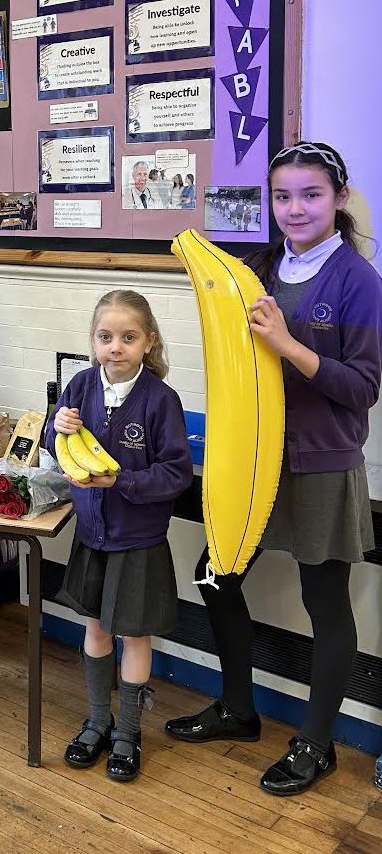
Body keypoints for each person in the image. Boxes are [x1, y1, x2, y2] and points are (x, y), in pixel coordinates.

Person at [165, 142, 382, 796]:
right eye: (282, 196)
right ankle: (238, 708)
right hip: (250, 459)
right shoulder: (256, 268)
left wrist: (287, 345)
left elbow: (364, 387)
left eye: (311, 195)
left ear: (339, 199)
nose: (295, 209)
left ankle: (317, 745)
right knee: (214, 575)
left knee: (325, 603)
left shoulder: (358, 280)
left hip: (320, 465)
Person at [47, 290, 192, 782]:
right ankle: (98, 720)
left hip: (138, 539)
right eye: (105, 337)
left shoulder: (160, 400)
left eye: (128, 337)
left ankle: (127, 732)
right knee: (95, 627)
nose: (116, 347)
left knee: (134, 634)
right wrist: (56, 426)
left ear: (148, 342)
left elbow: (176, 473)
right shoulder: (81, 387)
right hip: (92, 533)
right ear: (93, 342)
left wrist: (122, 481)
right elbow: (57, 443)